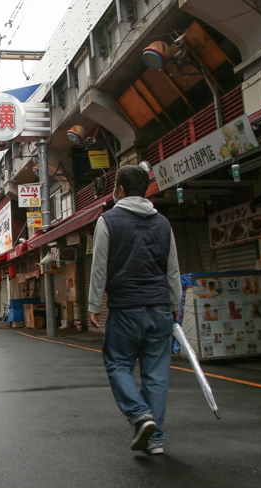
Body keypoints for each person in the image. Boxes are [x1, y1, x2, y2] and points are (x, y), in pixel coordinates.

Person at [88, 165, 181, 456]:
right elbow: (173, 270)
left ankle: (140, 415)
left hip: (125, 308)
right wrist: (175, 305)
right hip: (160, 308)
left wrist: (93, 305)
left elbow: (99, 266)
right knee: (156, 375)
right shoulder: (164, 223)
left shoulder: (108, 220)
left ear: (121, 190)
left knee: (117, 363)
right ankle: (155, 441)